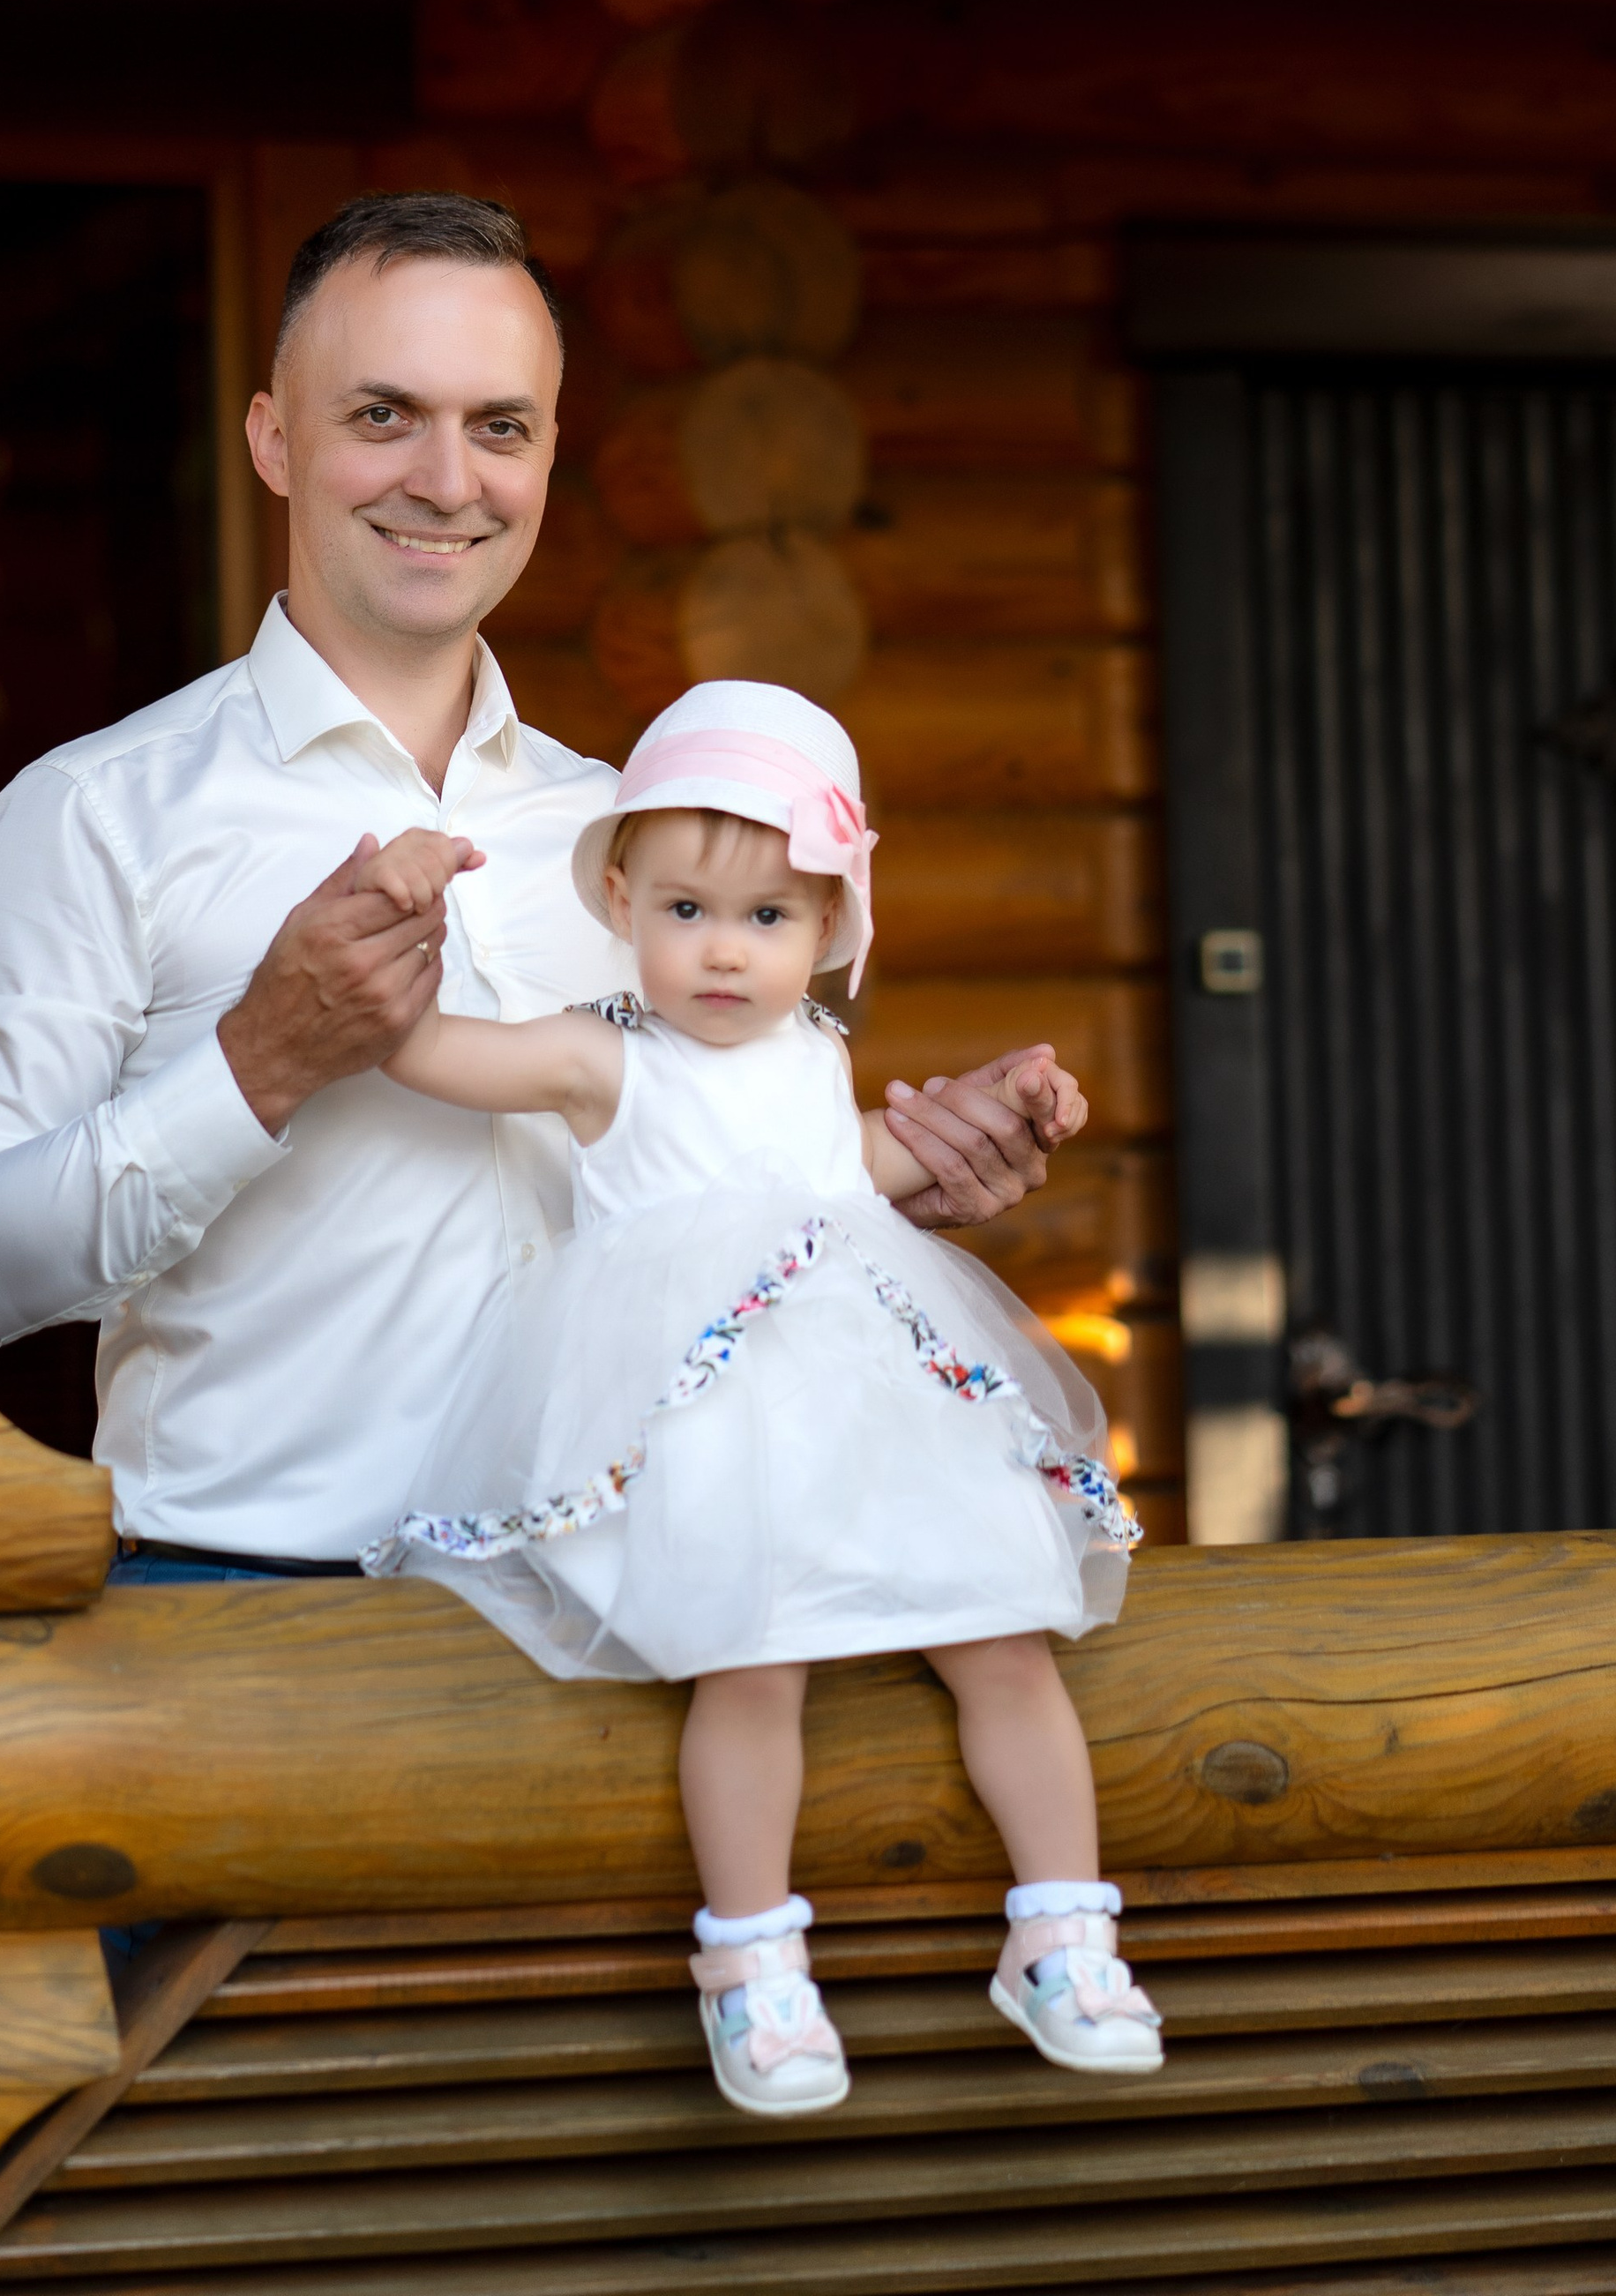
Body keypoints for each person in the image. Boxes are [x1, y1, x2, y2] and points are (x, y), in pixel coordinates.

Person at [0, 191, 1082, 1577]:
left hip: (629, 1604)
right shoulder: (92, 817)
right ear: (274, 441)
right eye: (384, 415)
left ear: (547, 456)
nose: (450, 480)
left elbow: (699, 1193)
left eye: (500, 427)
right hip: (254, 1614)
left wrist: (874, 1184)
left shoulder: (636, 836)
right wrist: (255, 1067)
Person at [359, 678, 1161, 2121]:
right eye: (684, 913)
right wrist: (393, 927)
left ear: (835, 928)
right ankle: (750, 1963)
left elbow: (869, 1176)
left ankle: (1064, 1928)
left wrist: (1016, 1100)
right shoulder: (603, 1058)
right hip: (714, 1433)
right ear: (619, 896)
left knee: (1006, 1635)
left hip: (873, 1414)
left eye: (769, 920)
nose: (723, 953)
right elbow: (424, 1054)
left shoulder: (818, 1067)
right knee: (750, 1661)